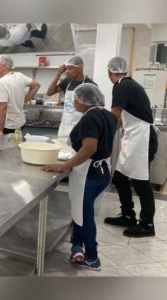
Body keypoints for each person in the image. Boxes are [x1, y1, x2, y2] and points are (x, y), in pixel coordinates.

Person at [43, 83, 117, 271]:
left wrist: (64, 166)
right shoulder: (107, 114)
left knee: (85, 215)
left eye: (75, 98)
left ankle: (92, 258)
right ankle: (77, 246)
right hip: (102, 172)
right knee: (81, 210)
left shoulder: (90, 118)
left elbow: (90, 147)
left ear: (83, 100)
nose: (73, 101)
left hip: (88, 175)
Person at [104, 57, 158, 238]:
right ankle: (128, 215)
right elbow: (120, 119)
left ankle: (147, 224)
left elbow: (115, 115)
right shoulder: (128, 84)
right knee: (119, 178)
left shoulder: (121, 86)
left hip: (141, 139)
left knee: (141, 183)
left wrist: (105, 135)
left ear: (109, 72)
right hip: (134, 137)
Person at [0, 54, 40, 137]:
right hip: (20, 123)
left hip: (8, 126)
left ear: (4, 66)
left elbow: (2, 107)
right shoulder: (20, 76)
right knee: (16, 146)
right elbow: (36, 85)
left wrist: (0, 130)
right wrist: (25, 100)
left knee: (3, 149)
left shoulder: (1, 83)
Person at [46, 56, 97, 137]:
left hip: (81, 126)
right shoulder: (67, 81)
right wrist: (58, 74)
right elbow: (49, 92)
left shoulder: (90, 84)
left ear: (80, 68)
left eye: (70, 68)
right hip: (65, 126)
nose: (67, 71)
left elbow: (94, 109)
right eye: (66, 69)